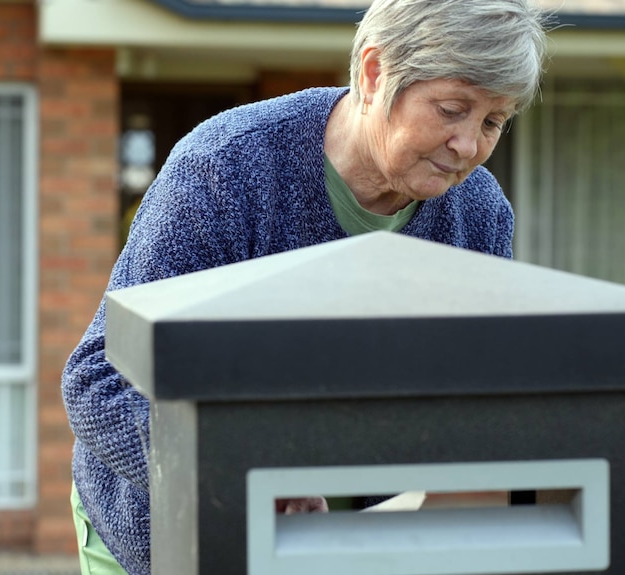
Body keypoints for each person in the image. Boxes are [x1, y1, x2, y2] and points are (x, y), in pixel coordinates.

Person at [62, 1, 548, 573]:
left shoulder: (480, 216)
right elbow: (100, 380)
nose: (467, 145)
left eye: (492, 122)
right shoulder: (225, 171)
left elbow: (482, 399)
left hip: (345, 540)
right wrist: (247, 477)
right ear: (373, 74)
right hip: (163, 529)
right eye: (451, 109)